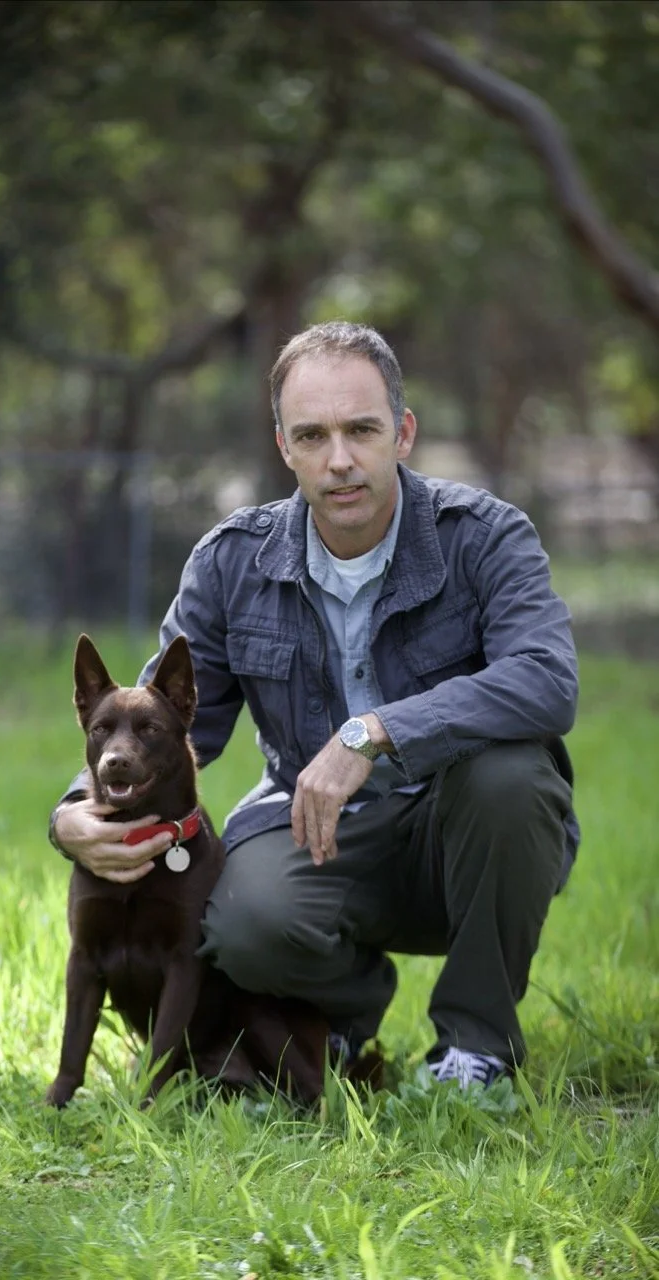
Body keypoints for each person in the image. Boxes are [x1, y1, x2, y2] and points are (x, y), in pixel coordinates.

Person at [49, 320, 579, 1090]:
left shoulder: (486, 537)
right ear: (282, 446)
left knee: (507, 778)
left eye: (361, 429)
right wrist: (72, 813)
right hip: (315, 831)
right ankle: (337, 1020)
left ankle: (476, 1045)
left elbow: (545, 680)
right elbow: (154, 722)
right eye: (313, 435)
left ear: (401, 432)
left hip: (464, 837)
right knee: (241, 920)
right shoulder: (231, 561)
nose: (339, 460)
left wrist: (374, 732)